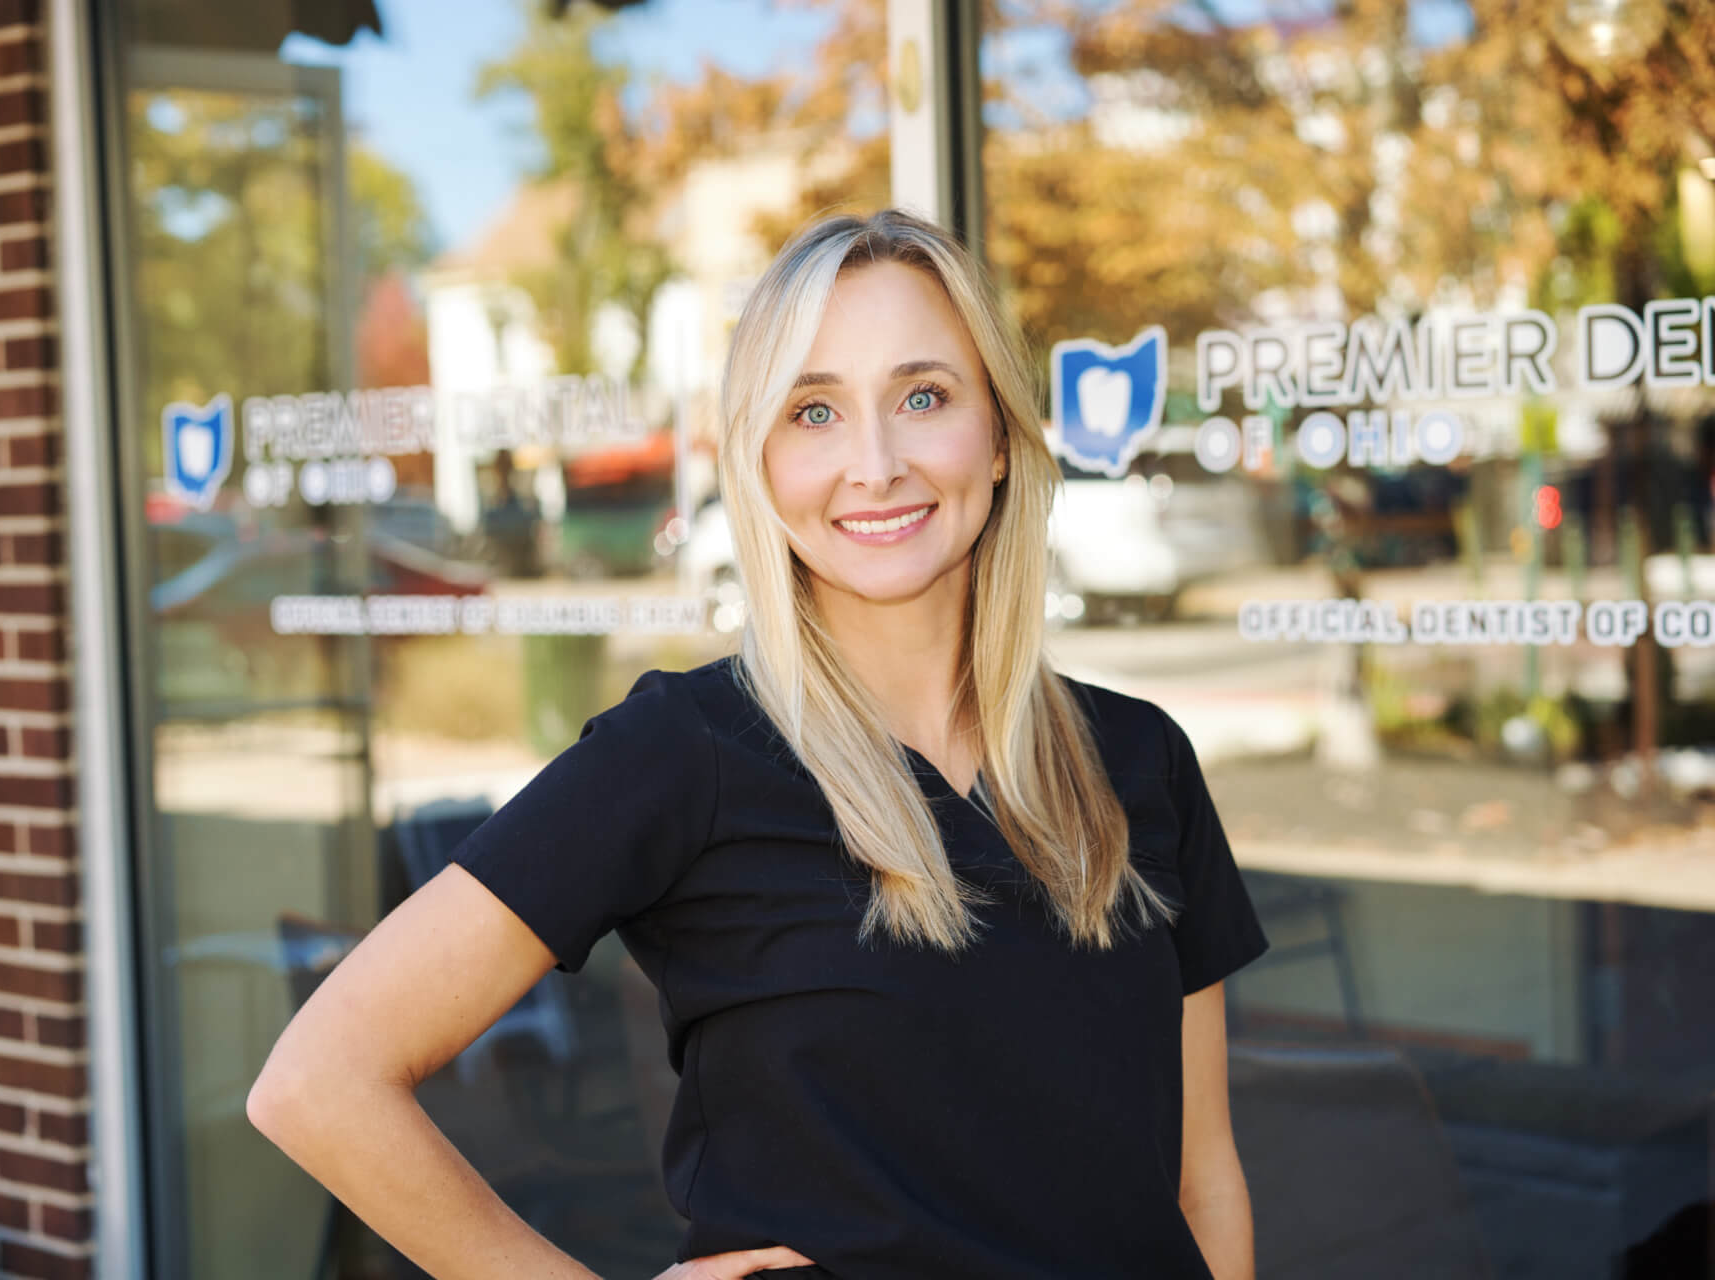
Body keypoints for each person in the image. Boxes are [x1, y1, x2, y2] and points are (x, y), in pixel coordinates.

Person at [247, 208, 1271, 1279]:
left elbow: (1202, 1178)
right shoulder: (687, 752)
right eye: (813, 410)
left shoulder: (1138, 758)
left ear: (1002, 434)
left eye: (923, 396)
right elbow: (321, 1080)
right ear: (758, 461)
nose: (874, 464)